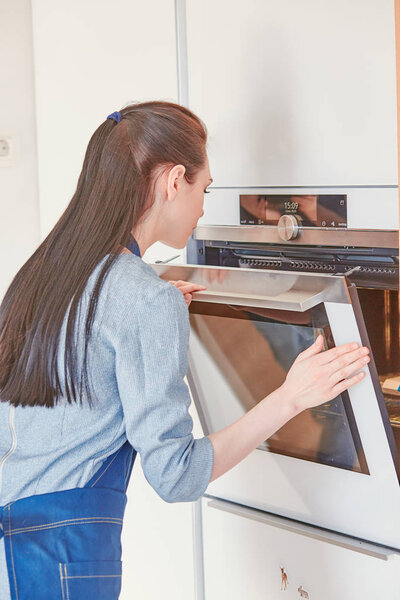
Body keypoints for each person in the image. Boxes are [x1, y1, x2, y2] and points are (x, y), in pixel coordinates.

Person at [0, 101, 370, 600]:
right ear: (175, 181)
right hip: (60, 560)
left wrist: (149, 310)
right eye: (205, 189)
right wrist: (292, 396)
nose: (202, 208)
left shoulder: (42, 272)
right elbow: (177, 477)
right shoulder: (141, 298)